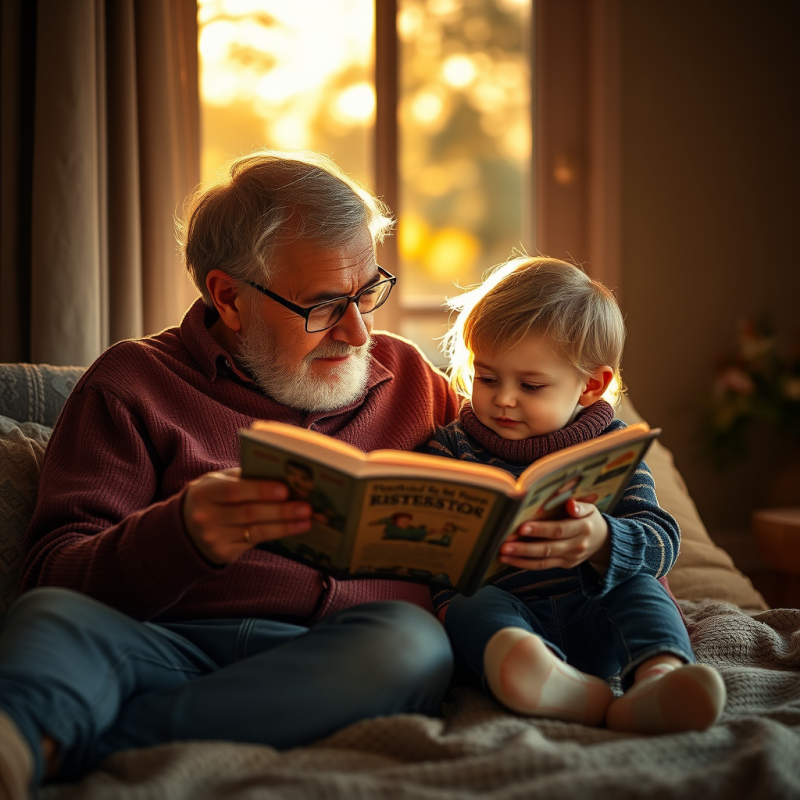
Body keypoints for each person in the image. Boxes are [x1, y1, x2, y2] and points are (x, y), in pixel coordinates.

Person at [0, 150, 460, 799]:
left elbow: (512, 462)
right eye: (325, 305)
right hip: (163, 646)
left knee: (414, 645)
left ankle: (75, 742)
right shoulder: (133, 382)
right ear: (229, 297)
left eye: (368, 293)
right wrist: (181, 534)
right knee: (52, 620)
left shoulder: (411, 378)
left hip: (343, 654)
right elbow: (54, 574)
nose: (358, 333)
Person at [425, 256, 727, 734]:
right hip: (507, 621)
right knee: (465, 604)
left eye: (530, 385)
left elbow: (662, 541)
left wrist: (604, 539)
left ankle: (659, 678)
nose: (503, 399)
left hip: (596, 615)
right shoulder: (451, 446)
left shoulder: (609, 447)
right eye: (486, 378)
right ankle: (537, 675)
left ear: (592, 385)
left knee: (641, 587)